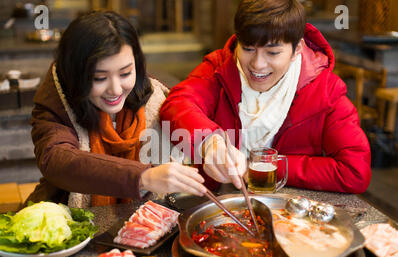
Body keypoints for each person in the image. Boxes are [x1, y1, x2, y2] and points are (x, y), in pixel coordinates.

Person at [159, 0, 371, 194]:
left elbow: (354, 172)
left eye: (273, 53)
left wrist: (264, 165)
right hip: (217, 198)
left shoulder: (325, 90)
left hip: (285, 209)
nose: (257, 64)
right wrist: (210, 143)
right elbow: (177, 103)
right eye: (249, 48)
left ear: (297, 48)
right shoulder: (221, 67)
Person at [27, 11, 206, 209]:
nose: (115, 89)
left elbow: (185, 110)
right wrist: (143, 176)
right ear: (76, 73)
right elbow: (57, 159)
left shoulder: (153, 96)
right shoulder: (56, 102)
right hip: (68, 220)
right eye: (100, 78)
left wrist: (213, 145)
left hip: (145, 218)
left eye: (125, 73)